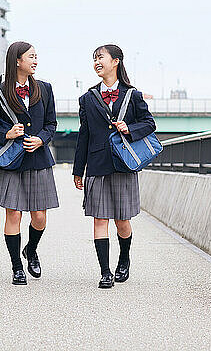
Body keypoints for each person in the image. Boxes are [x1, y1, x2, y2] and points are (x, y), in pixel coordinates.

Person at [73, 44, 156, 288]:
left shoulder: (133, 95)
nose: (97, 62)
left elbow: (149, 124)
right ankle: (105, 272)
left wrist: (130, 128)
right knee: (99, 219)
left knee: (122, 220)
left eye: (101, 58)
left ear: (116, 61)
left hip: (123, 164)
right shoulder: (87, 98)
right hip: (97, 165)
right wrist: (79, 170)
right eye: (94, 59)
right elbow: (84, 135)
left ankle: (124, 258)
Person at [0, 41, 59, 285]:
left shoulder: (45, 89)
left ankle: (31, 249)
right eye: (31, 56)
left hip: (38, 160)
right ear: (17, 61)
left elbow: (51, 125)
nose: (35, 60)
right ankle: (16, 268)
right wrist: (7, 135)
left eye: (36, 56)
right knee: (13, 215)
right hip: (11, 163)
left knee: (40, 217)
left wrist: (41, 140)